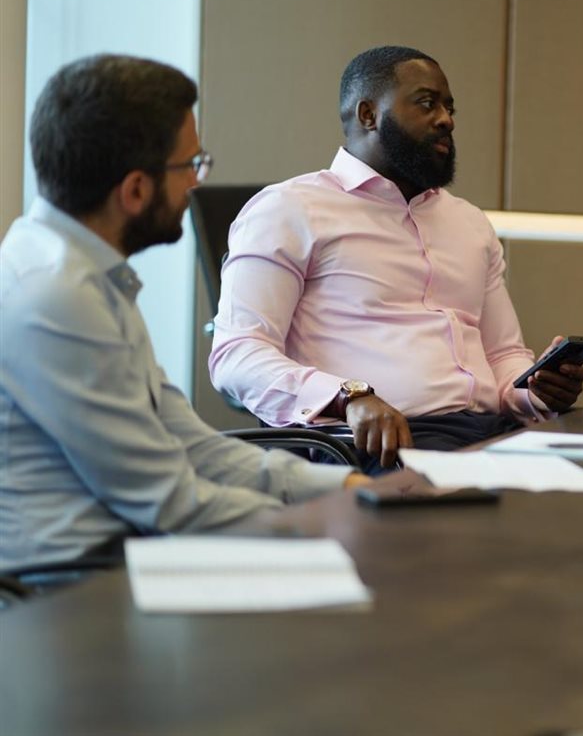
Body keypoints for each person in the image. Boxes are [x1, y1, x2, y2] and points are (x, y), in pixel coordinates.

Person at [0, 55, 368, 573]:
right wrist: (322, 525)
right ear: (135, 190)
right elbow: (167, 500)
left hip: (123, 561)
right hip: (74, 588)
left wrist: (346, 485)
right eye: (191, 165)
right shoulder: (56, 297)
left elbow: (191, 446)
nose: (196, 183)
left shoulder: (88, 275)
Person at [209, 46, 583, 472]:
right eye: (427, 103)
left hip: (494, 433)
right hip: (384, 445)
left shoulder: (469, 222)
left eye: (449, 108)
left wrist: (534, 390)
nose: (446, 120)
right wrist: (348, 396)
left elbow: (502, 355)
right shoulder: (290, 210)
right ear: (368, 114)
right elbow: (237, 356)